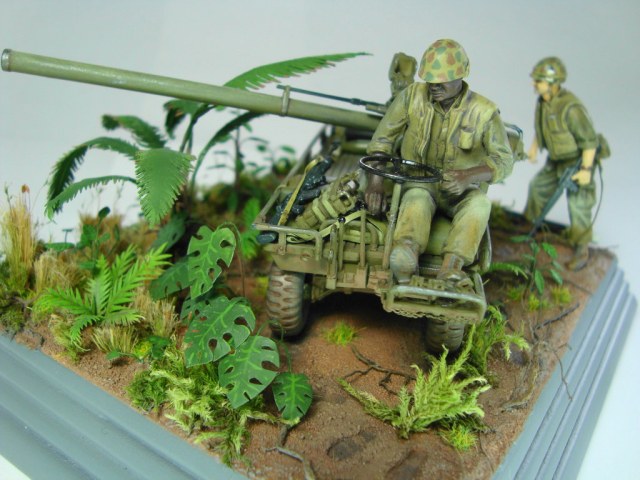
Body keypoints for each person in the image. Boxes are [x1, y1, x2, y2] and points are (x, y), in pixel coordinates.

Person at [365, 38, 514, 283]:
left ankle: (452, 266)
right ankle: (405, 254)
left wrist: (468, 177)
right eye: (429, 79)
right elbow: (382, 141)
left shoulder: (484, 112)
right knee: (416, 201)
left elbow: (504, 160)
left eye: (441, 80)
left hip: (461, 191)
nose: (434, 85)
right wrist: (375, 183)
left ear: (461, 76)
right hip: (419, 182)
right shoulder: (411, 97)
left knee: (480, 205)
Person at [524, 57, 598, 271]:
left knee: (578, 205)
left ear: (553, 83)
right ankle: (530, 229)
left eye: (538, 80)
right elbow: (540, 128)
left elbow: (589, 141)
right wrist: (534, 148)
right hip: (554, 161)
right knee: (537, 188)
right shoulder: (542, 102)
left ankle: (581, 249)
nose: (534, 84)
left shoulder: (571, 108)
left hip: (575, 162)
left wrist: (586, 170)